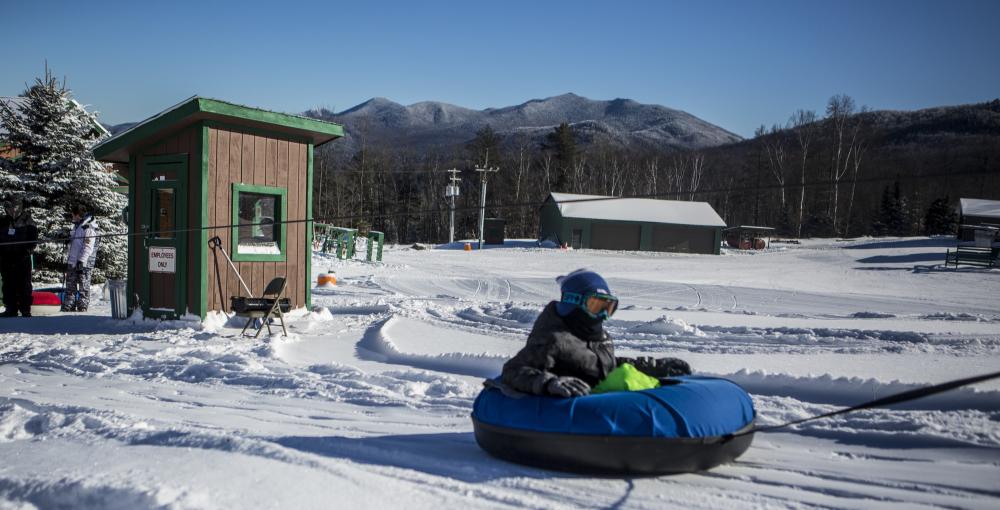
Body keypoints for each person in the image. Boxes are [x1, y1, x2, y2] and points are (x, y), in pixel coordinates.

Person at [502, 269, 692, 397]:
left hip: (601, 403)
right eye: (595, 305)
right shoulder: (553, 339)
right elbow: (513, 370)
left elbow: (606, 368)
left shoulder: (600, 338)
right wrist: (549, 383)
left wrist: (651, 366)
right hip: (570, 413)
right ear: (573, 302)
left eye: (608, 307)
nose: (602, 314)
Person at [0, 198, 39, 317]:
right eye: (9, 208)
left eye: (14, 208)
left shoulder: (27, 220)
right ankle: (10, 308)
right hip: (6, 258)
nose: (12, 211)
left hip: (22, 257)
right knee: (8, 283)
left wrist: (27, 250)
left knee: (24, 283)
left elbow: (33, 238)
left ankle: (25, 309)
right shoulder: (3, 221)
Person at [62, 205, 99, 312]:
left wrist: (82, 261)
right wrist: (67, 239)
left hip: (83, 262)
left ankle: (83, 305)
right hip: (72, 260)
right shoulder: (77, 226)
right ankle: (69, 304)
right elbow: (75, 242)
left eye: (73, 215)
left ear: (77, 215)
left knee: (84, 285)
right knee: (70, 286)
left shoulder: (88, 228)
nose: (72, 217)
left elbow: (88, 246)